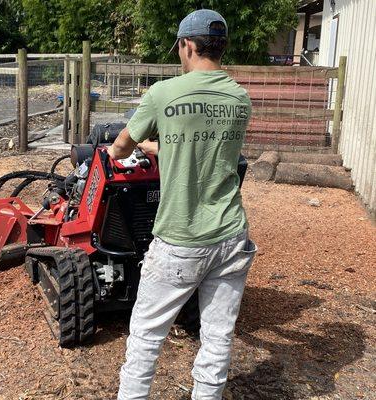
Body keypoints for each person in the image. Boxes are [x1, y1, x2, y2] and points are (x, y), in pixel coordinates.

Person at [106, 9, 257, 400]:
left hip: (181, 237)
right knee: (218, 336)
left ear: (186, 45)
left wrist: (124, 148)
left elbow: (121, 147)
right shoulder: (239, 98)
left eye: (179, 47)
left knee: (145, 337)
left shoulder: (163, 93)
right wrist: (162, 146)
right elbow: (208, 148)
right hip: (231, 235)